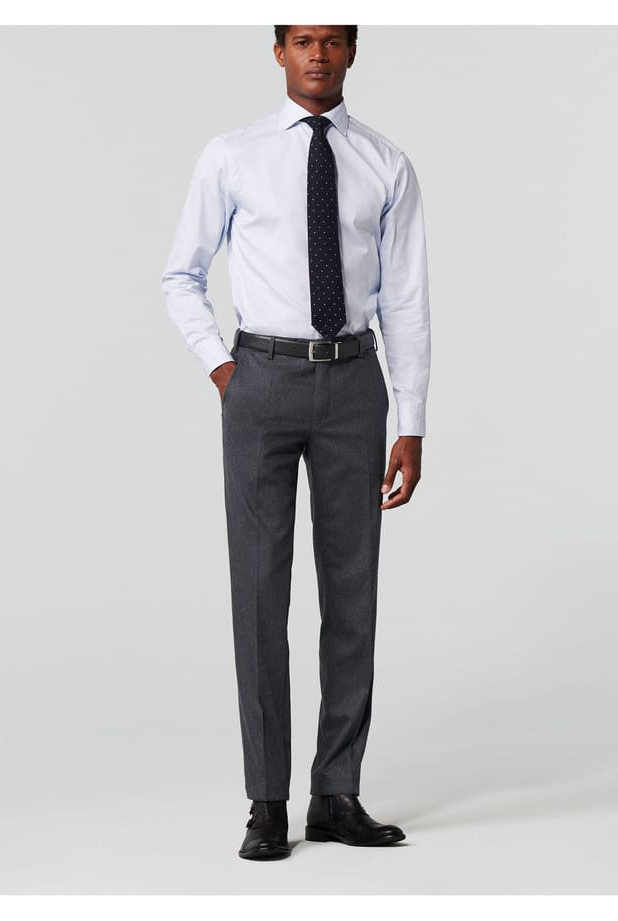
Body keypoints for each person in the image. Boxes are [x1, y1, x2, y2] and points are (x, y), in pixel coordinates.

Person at [161, 24, 431, 860]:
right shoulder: (232, 155)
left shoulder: (385, 164)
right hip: (262, 380)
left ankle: (336, 792)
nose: (319, 55)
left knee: (353, 594)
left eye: (334, 41)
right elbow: (181, 274)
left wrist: (411, 419)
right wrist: (223, 369)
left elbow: (406, 299)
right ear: (278, 52)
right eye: (303, 40)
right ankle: (267, 801)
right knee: (259, 593)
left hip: (354, 384)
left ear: (353, 52)